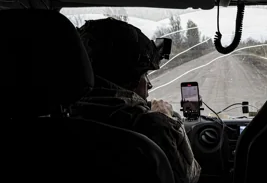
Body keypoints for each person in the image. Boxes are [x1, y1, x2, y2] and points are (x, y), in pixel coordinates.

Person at [73, 17, 201, 183]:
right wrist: (167, 119)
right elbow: (190, 177)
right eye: (144, 74)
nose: (149, 84)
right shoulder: (152, 125)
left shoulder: (58, 115)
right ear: (128, 77)